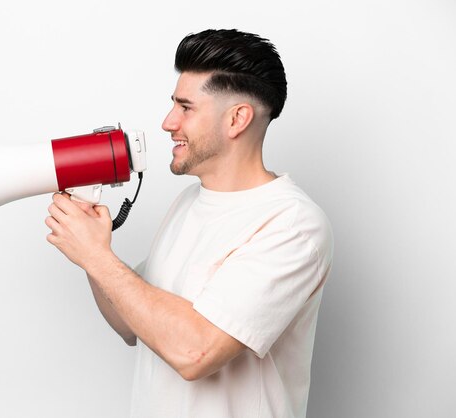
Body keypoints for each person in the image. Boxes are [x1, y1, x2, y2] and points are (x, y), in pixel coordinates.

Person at [45, 29, 333, 418]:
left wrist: (97, 258)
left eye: (186, 107)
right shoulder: (187, 203)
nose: (168, 123)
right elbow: (131, 324)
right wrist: (91, 252)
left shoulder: (294, 225)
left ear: (237, 119)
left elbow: (195, 353)